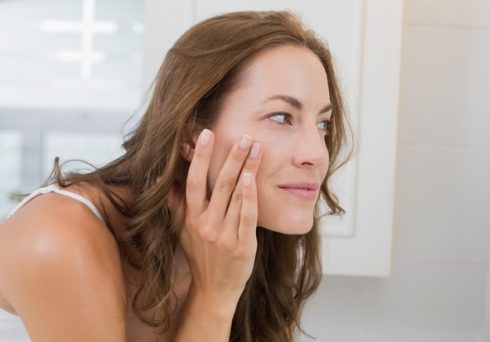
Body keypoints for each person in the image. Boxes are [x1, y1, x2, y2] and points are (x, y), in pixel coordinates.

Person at [0, 10, 351, 342]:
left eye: (322, 123)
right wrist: (215, 297)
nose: (316, 155)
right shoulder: (60, 237)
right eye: (280, 117)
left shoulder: (239, 238)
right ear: (190, 134)